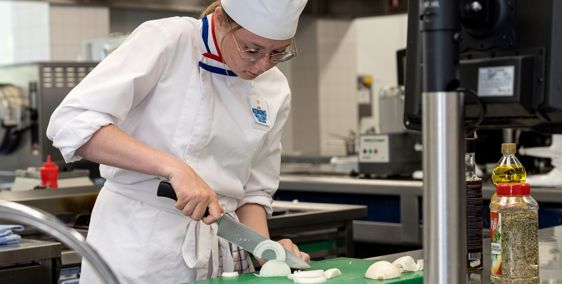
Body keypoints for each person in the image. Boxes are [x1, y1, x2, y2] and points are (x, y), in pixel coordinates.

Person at [46, 0, 309, 282]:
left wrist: (263, 248)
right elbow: (72, 123)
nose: (262, 64)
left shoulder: (275, 86)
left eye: (277, 52)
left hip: (222, 255)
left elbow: (254, 192)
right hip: (139, 245)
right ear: (220, 19)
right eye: (251, 49)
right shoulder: (170, 41)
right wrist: (174, 168)